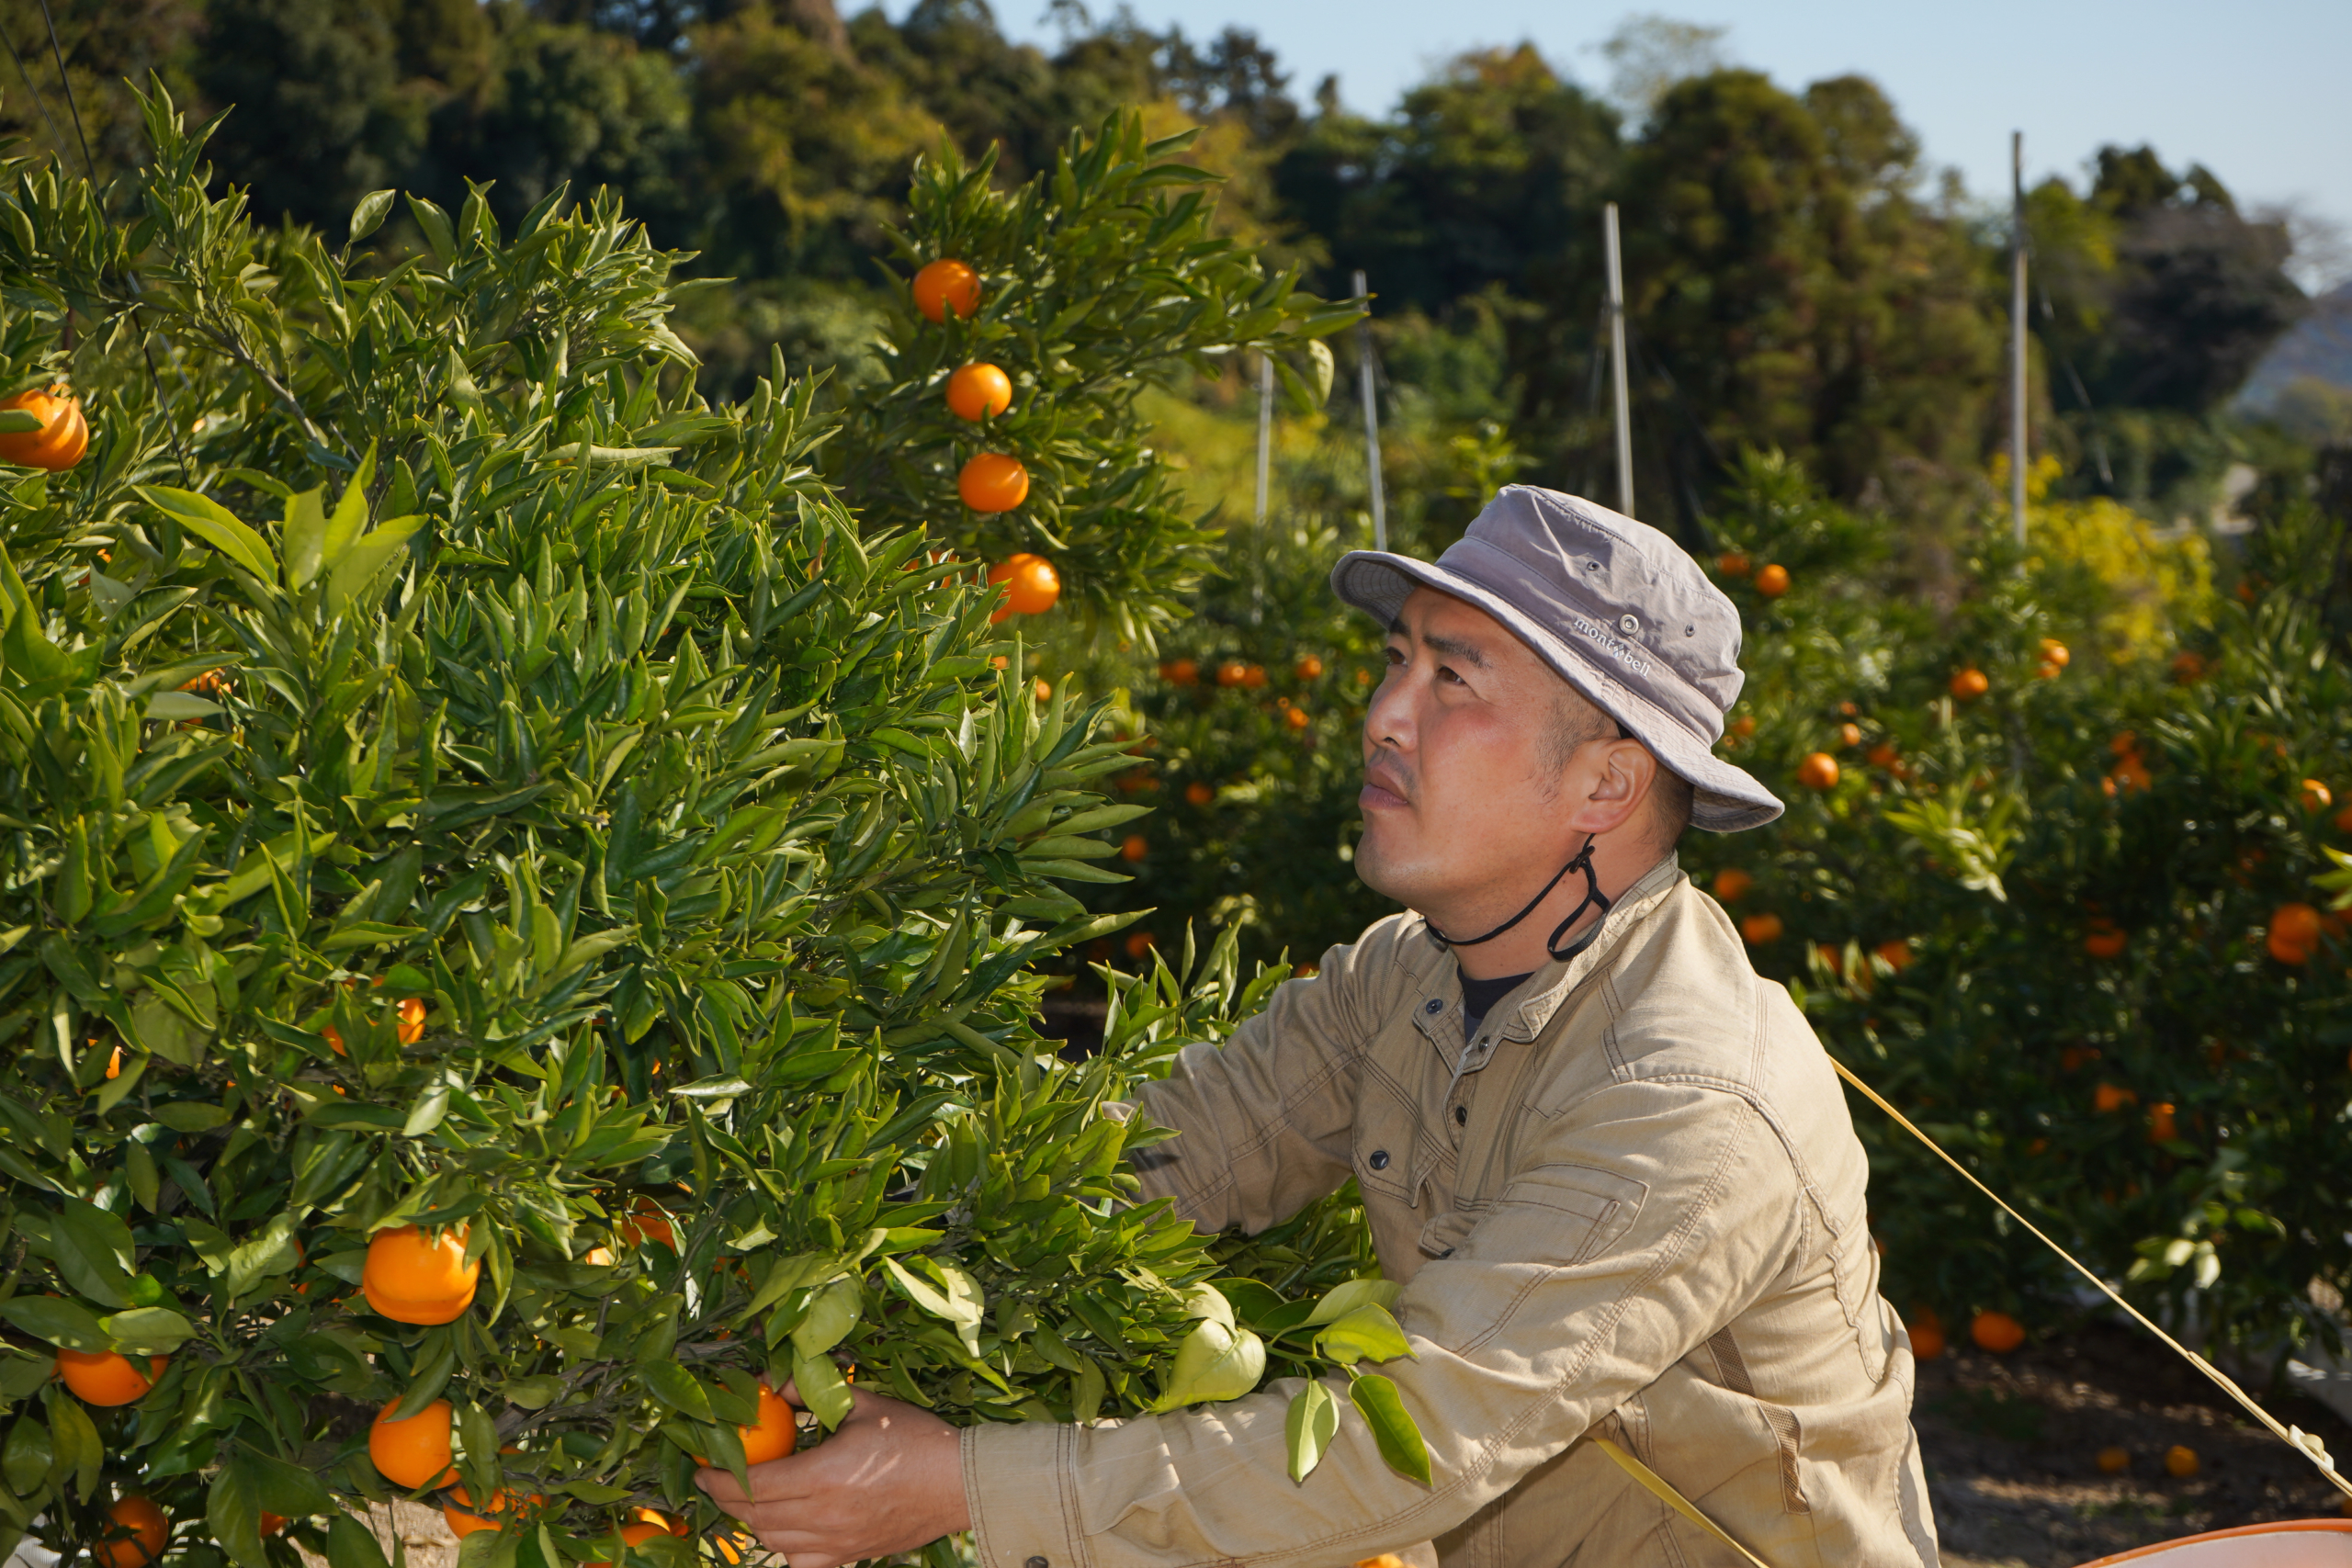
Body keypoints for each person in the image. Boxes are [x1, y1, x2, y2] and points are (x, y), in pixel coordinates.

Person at [699, 485, 1939, 1567]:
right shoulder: (1404, 978)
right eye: (1396, 659)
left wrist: (959, 1487)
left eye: (1452, 679)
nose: (1384, 714)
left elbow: (1410, 1440)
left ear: (1607, 784)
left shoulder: (1688, 1101)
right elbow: (1154, 1153)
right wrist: (825, 1250)